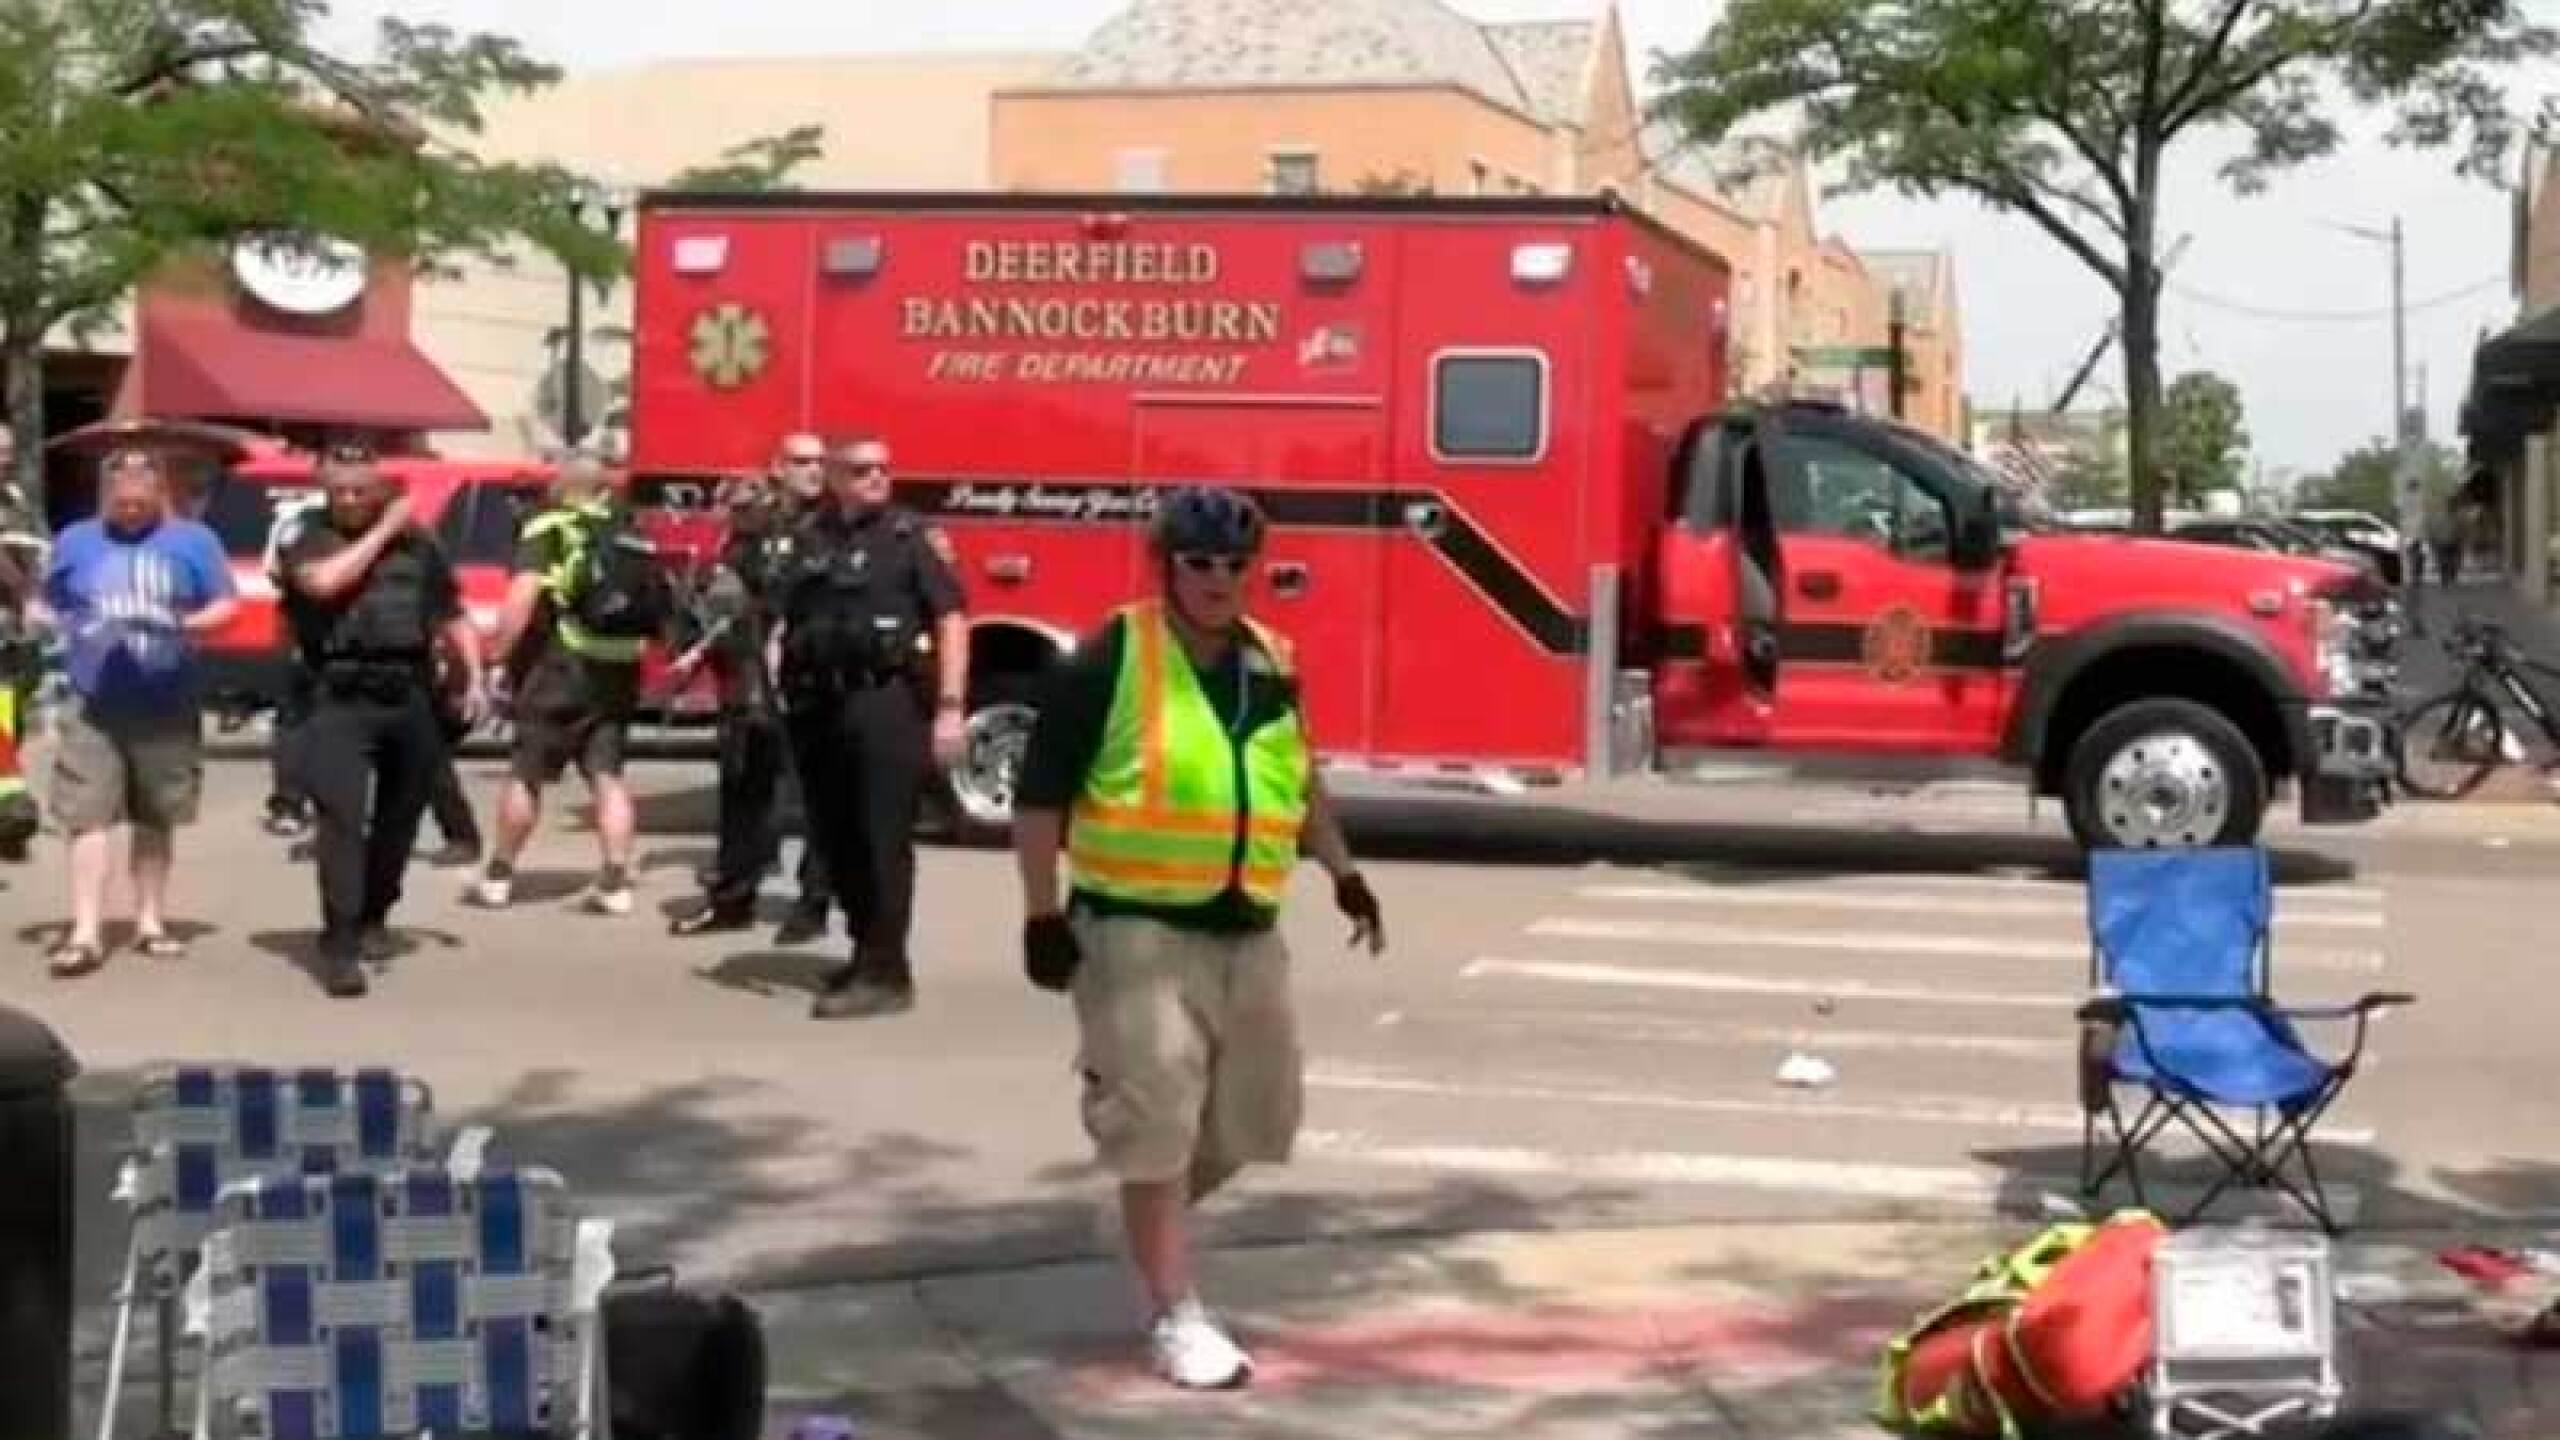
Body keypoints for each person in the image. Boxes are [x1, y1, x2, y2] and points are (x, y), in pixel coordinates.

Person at [1011, 485, 1385, 1391]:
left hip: (1247, 932)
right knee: (1159, 1121)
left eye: (1233, 565)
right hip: (1135, 933)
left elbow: (1296, 782)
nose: (1218, 580)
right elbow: (1041, 797)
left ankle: (1149, 1215)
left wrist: (1342, 873)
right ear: (1167, 566)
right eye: (1199, 563)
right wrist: (1040, 913)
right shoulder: (1110, 658)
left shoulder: (1271, 660)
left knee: (1259, 1116)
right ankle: (1174, 1312)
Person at [772, 437, 968, 1019]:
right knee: (837, 837)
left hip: (886, 700)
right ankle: (865, 951)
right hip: (819, 704)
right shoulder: (810, 537)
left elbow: (953, 617)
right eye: (861, 471)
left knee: (883, 838)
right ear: (834, 477)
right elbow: (788, 615)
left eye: (884, 469)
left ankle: (888, 972)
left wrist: (951, 706)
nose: (877, 479)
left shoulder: (911, 539)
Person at [278, 446, 485, 998]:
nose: (348, 500)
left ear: (379, 490)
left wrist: (477, 677)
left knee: (400, 819)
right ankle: (340, 942)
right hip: (337, 695)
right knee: (341, 820)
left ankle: (374, 915)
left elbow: (451, 613)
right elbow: (322, 583)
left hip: (409, 693)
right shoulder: (306, 537)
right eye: (339, 491)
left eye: (360, 491)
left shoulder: (421, 547)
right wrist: (383, 533)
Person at [35, 448, 239, 977]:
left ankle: (150, 920)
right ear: (107, 494)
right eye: (120, 502)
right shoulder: (77, 540)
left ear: (160, 493)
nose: (129, 511)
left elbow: (226, 604)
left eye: (139, 503)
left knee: (156, 815)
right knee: (87, 816)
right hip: (92, 699)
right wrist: (48, 622)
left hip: (167, 697)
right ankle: (85, 931)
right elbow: (49, 602)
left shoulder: (195, 541)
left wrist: (187, 625)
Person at [474, 453, 662, 914]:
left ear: (560, 485)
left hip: (561, 664)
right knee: (608, 775)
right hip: (618, 665)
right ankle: (615, 881)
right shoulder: (630, 531)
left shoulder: (549, 527)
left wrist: (494, 653)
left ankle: (499, 874)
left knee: (527, 772)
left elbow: (522, 598)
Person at [667, 436, 837, 939]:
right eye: (802, 462)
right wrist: (696, 650)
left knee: (818, 800)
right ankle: (732, 901)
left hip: (807, 683)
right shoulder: (751, 527)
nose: (813, 471)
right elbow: (724, 602)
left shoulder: (832, 527)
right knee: (743, 792)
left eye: (819, 463)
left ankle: (814, 904)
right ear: (778, 467)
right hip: (747, 681)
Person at [0, 426, 32, 861]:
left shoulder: (14, 498)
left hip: (12, 631)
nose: (5, 457)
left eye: (8, 449)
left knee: (12, 721)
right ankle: (9, 810)